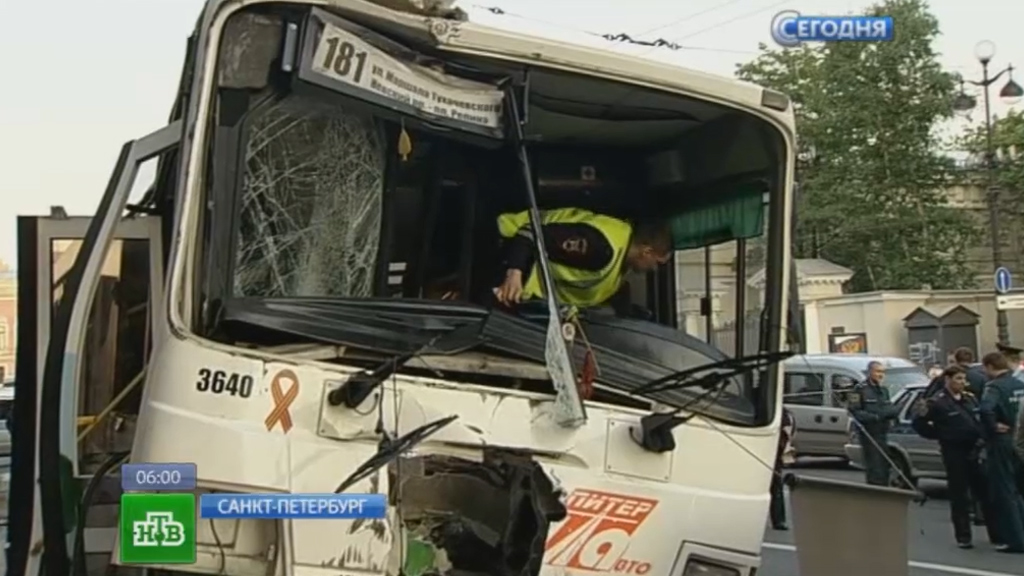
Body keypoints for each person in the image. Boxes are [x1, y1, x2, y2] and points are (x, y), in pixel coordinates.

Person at [493, 208, 672, 309]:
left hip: (513, 282)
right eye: (657, 263)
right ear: (646, 251)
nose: (654, 269)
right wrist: (514, 273)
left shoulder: (618, 268)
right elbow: (530, 233)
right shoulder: (601, 247)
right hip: (503, 249)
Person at [912, 365, 999, 548]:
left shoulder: (969, 399)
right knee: (959, 495)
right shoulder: (937, 402)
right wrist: (941, 435)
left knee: (985, 493)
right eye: (958, 379)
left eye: (963, 379)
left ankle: (996, 535)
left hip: (974, 449)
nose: (962, 382)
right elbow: (919, 423)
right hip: (954, 451)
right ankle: (963, 536)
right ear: (948, 380)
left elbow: (980, 420)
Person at [979, 351, 1024, 553]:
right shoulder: (1019, 384)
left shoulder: (994, 387)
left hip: (1002, 442)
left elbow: (985, 409)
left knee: (1005, 491)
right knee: (1019, 489)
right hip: (1020, 439)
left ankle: (1015, 539)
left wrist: (993, 426)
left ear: (990, 366)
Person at [847, 361, 901, 486]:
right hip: (869, 433)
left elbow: (889, 408)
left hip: (883, 432)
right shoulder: (859, 389)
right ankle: (875, 488)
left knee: (884, 464)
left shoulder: (883, 390)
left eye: (882, 372)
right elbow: (854, 411)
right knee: (874, 464)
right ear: (870, 372)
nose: (881, 375)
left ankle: (884, 486)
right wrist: (875, 417)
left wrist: (892, 412)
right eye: (878, 371)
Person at [770, 407, 796, 531]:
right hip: (771, 451)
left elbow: (787, 437)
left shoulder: (784, 414)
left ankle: (779, 519)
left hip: (775, 453)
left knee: (776, 487)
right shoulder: (783, 414)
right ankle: (779, 520)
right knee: (776, 487)